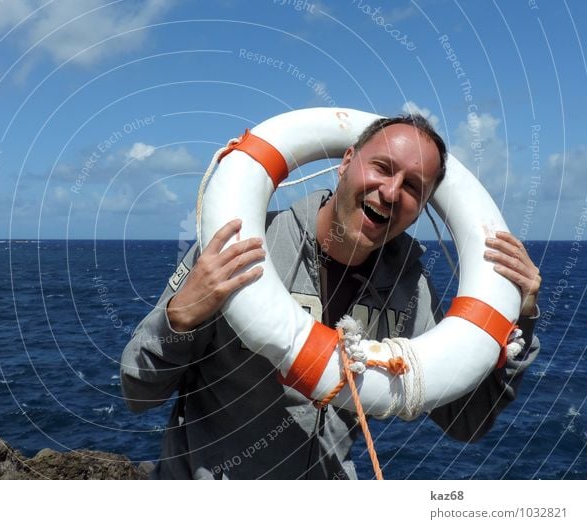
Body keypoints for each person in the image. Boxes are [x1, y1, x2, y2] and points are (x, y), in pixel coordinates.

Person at [120, 115, 541, 479]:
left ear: (425, 205)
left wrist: (518, 320)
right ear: (345, 163)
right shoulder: (243, 247)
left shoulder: (408, 288)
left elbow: (464, 422)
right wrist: (180, 317)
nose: (391, 193)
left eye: (413, 187)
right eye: (382, 167)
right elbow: (138, 392)